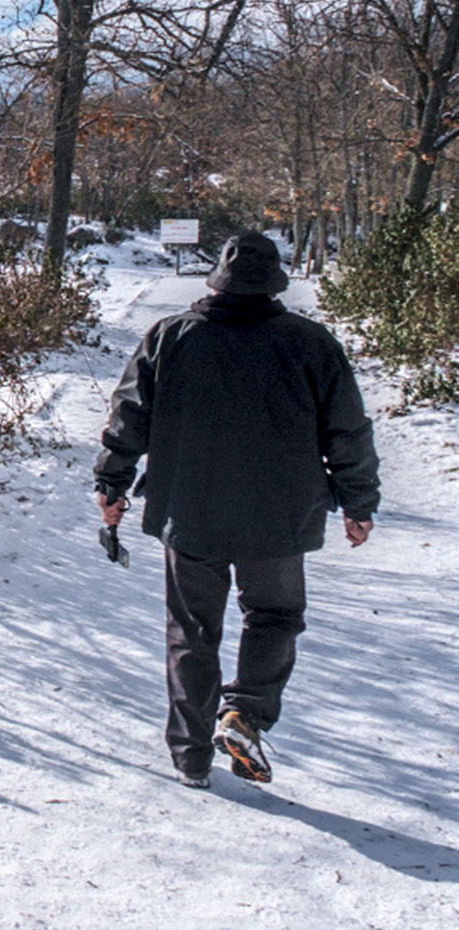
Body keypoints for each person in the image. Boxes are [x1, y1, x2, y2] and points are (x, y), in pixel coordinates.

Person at [94, 231, 381, 788]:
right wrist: (358, 501)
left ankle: (191, 757)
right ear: (275, 282)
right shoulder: (310, 343)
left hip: (189, 509)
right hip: (279, 515)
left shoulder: (170, 337)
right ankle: (245, 712)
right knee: (274, 616)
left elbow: (129, 416)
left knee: (192, 631)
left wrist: (112, 483)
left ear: (218, 278)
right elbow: (347, 429)